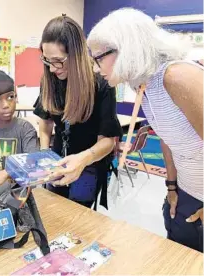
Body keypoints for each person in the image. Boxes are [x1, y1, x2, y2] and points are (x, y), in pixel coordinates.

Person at [87, 8, 203, 252]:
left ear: (126, 49)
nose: (96, 68)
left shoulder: (177, 75)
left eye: (98, 58)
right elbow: (168, 140)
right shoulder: (145, 86)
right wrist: (172, 187)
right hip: (186, 193)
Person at [33, 15, 123, 209]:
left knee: (78, 215)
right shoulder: (49, 79)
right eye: (47, 60)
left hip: (89, 163)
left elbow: (107, 141)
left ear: (76, 54)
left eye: (58, 61)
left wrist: (82, 159)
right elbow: (46, 122)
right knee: (54, 208)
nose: (52, 68)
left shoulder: (101, 83)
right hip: (57, 160)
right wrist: (44, 152)